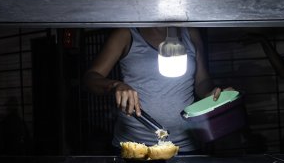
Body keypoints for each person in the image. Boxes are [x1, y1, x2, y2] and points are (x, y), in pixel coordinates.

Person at [84, 27, 232, 154]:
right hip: (135, 148)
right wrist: (115, 86)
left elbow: (202, 81)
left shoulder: (190, 33)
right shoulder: (126, 33)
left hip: (185, 147)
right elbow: (91, 78)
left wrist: (212, 93)